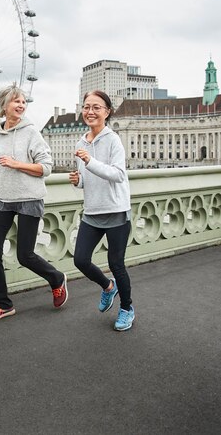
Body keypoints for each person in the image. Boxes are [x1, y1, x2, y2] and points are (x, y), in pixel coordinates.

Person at [0, 83, 68, 321]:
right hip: (2, 199)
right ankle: (2, 304)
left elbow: (46, 168)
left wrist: (18, 164)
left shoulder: (31, 133)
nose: (21, 105)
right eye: (16, 101)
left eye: (23, 101)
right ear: (4, 106)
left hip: (29, 198)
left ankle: (56, 278)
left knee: (24, 255)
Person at [69, 90, 135, 331]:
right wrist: (78, 180)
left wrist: (89, 162)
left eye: (96, 107)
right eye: (87, 107)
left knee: (116, 264)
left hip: (116, 211)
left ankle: (127, 308)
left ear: (107, 112)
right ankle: (108, 287)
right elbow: (87, 180)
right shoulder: (80, 142)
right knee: (80, 260)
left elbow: (118, 175)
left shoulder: (114, 140)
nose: (90, 111)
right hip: (92, 211)